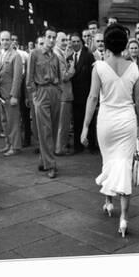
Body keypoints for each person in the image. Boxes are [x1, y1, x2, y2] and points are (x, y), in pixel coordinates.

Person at [80, 23, 139, 238]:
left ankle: (108, 203)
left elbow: (92, 98)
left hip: (106, 121)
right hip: (127, 121)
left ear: (106, 44)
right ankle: (124, 218)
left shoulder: (98, 67)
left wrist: (85, 126)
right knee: (124, 166)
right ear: (125, 45)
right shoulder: (134, 68)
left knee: (108, 162)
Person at [27, 27, 62, 178]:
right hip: (41, 92)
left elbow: (59, 76)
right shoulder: (34, 54)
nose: (52, 40)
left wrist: (59, 90)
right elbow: (29, 78)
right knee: (45, 129)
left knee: (52, 129)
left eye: (54, 37)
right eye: (49, 37)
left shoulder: (55, 56)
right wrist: (34, 95)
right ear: (44, 37)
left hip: (54, 91)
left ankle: (43, 160)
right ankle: (50, 165)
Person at [0, 31, 23, 156]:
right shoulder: (1, 55)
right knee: (4, 121)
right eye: (3, 39)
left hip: (10, 95)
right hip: (1, 95)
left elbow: (17, 77)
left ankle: (15, 147)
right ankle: (8, 144)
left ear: (11, 41)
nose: (5, 42)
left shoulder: (16, 56)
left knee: (13, 122)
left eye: (7, 39)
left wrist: (14, 95)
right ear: (0, 40)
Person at [68, 33, 96, 154]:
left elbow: (93, 76)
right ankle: (78, 146)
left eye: (77, 41)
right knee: (77, 120)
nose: (75, 44)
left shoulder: (89, 56)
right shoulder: (68, 58)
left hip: (87, 94)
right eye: (73, 41)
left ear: (81, 42)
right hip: (74, 95)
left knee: (89, 120)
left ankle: (92, 146)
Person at [53, 32, 75, 156]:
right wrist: (72, 69)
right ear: (56, 41)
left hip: (61, 93)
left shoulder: (59, 53)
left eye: (66, 39)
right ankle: (60, 148)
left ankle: (59, 146)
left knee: (61, 122)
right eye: (62, 40)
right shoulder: (58, 54)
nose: (66, 42)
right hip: (64, 93)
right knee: (63, 123)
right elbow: (64, 76)